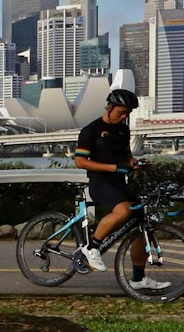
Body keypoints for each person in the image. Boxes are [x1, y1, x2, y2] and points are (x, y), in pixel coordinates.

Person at [72, 89, 167, 290]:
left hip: (118, 182)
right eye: (121, 112)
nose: (124, 116)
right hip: (100, 182)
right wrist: (112, 167)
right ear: (109, 107)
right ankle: (92, 247)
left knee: (141, 219)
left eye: (128, 113)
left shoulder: (123, 130)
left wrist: (135, 164)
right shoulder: (92, 130)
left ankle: (138, 278)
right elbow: (80, 162)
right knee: (123, 210)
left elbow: (127, 156)